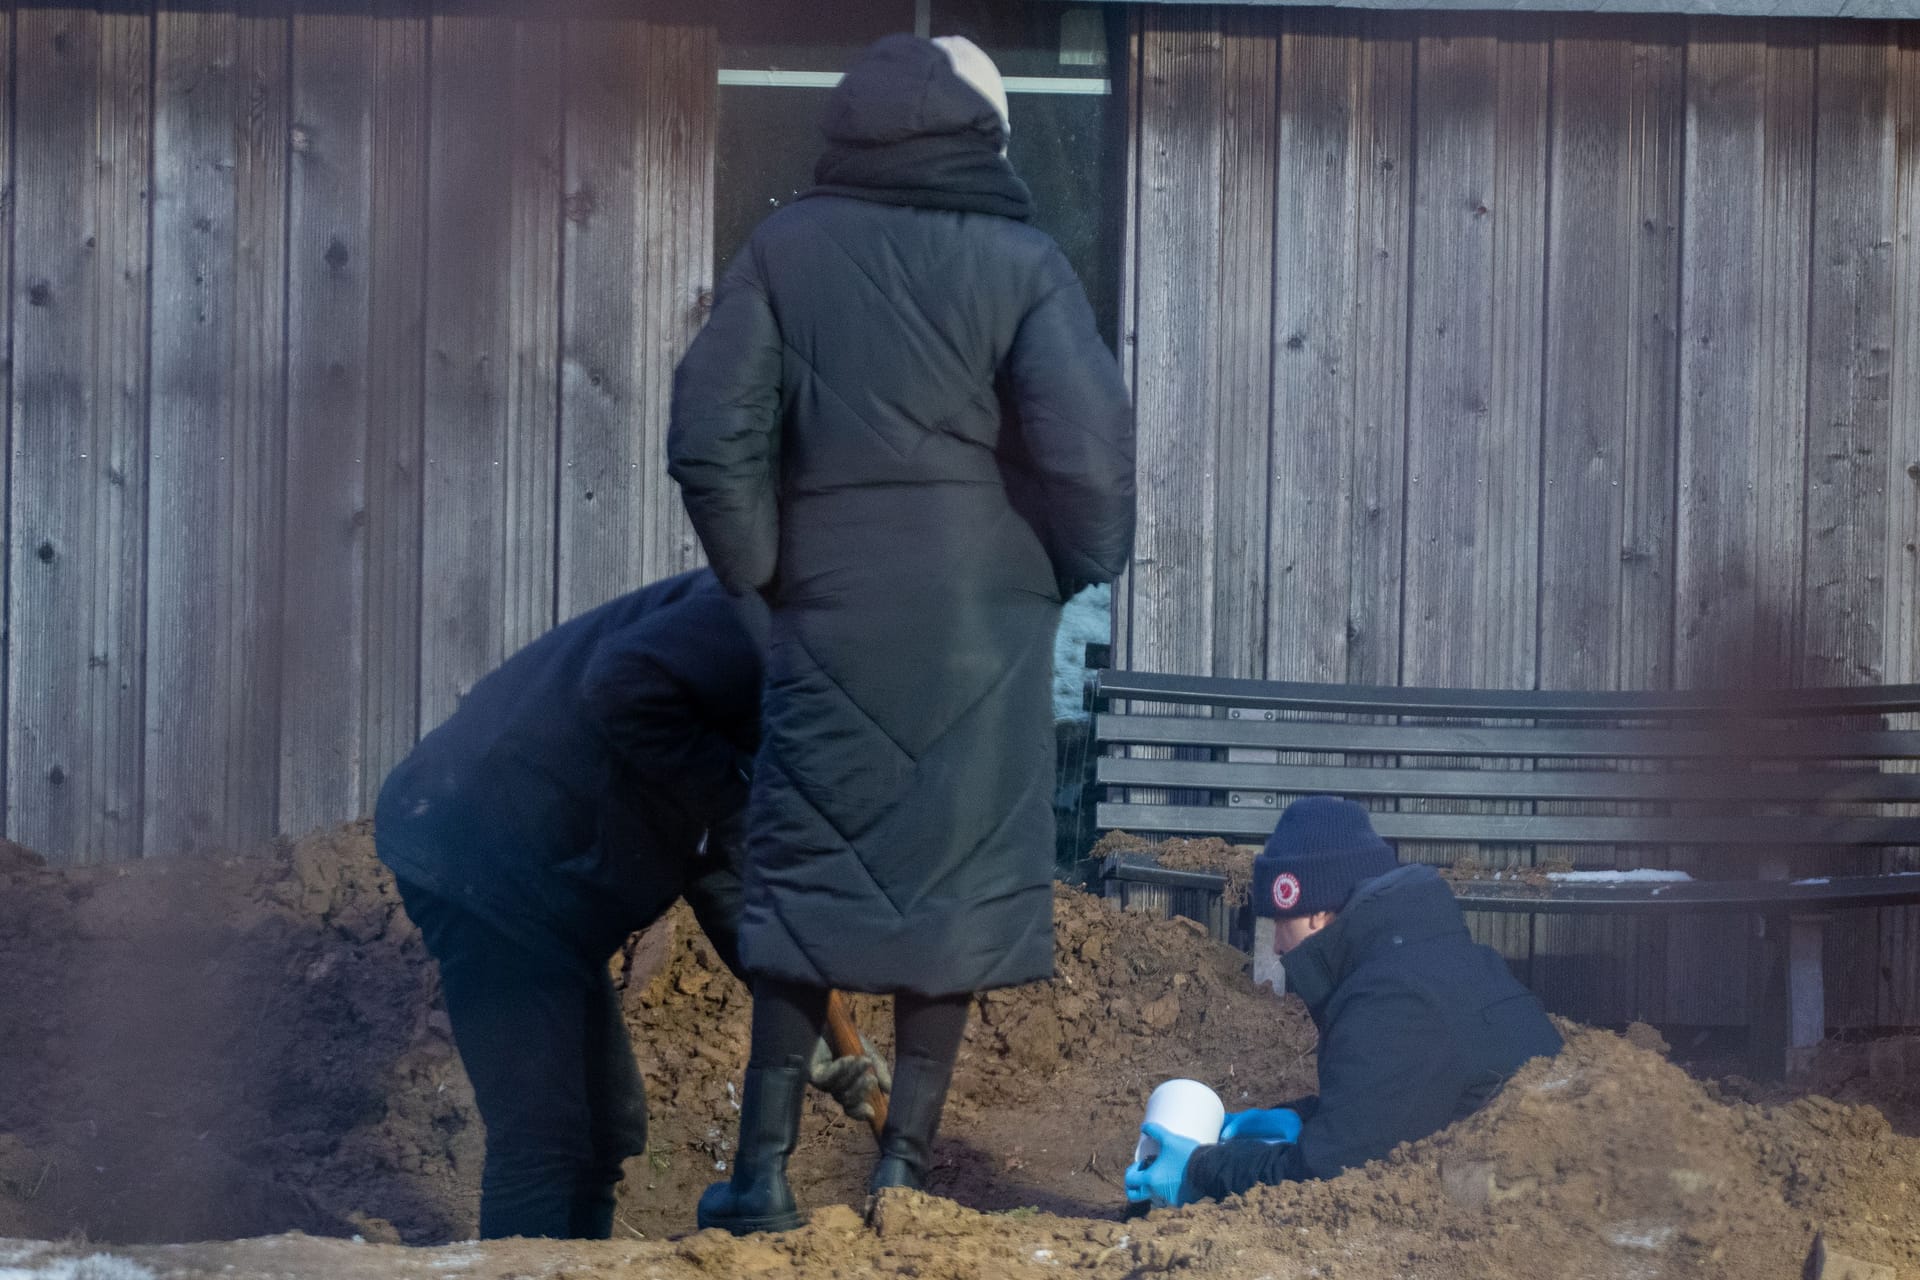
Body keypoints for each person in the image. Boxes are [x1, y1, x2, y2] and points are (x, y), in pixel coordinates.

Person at [668, 33, 1136, 1235]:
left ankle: (762, 1174)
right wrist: (1065, 569)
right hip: (985, 623)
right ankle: (902, 1175)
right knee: (955, 886)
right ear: (985, 133)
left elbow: (710, 435)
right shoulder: (1026, 263)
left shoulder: (783, 247)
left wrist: (768, 578)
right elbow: (1087, 453)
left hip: (831, 612)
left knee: (807, 876)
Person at [373, 569, 884, 1240]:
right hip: (476, 844)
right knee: (543, 1132)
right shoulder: (768, 625)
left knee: (608, 1125)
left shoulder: (799, 684)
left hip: (547, 873)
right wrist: (746, 805)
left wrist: (808, 1021)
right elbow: (621, 687)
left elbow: (721, 873)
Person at [1125, 797, 1564, 1209]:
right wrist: (1301, 1116)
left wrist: (1200, 1169)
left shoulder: (1392, 1001)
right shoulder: (1428, 961)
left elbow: (1326, 1178)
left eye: (1281, 920)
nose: (1277, 945)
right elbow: (1403, 1107)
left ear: (1317, 912)